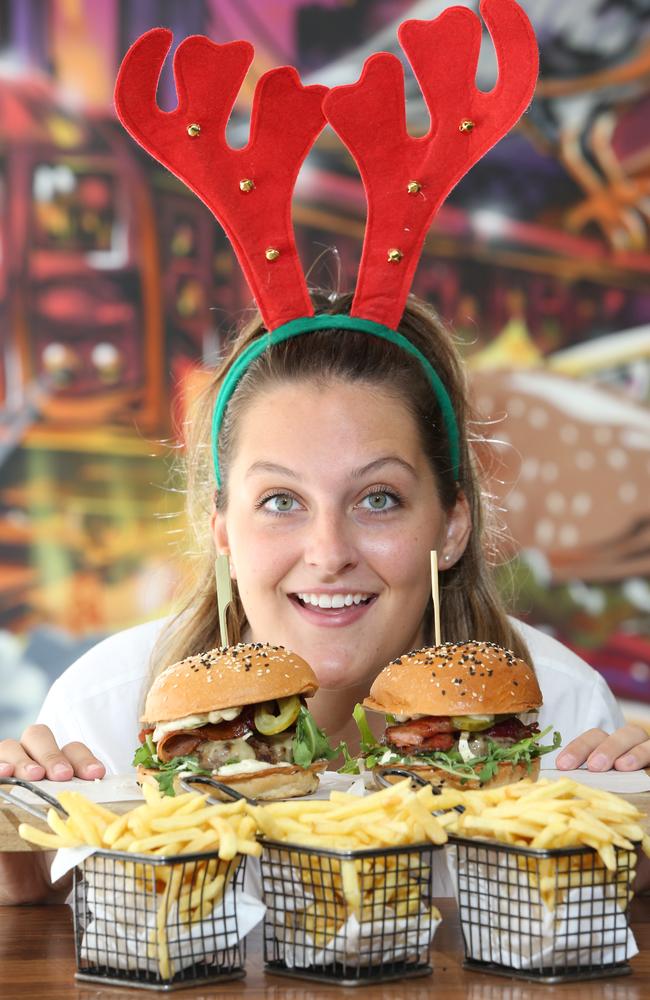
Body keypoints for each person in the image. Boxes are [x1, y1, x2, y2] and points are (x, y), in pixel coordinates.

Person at [1, 291, 649, 904]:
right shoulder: (105, 713)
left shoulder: (562, 709)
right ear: (221, 528)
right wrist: (20, 880)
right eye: (281, 501)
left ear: (452, 524)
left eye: (378, 498)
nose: (328, 551)